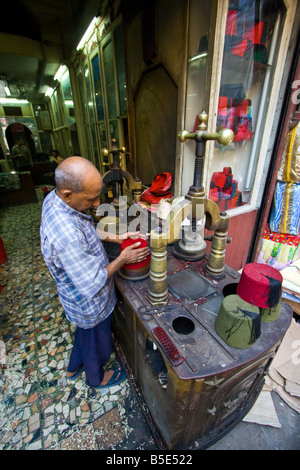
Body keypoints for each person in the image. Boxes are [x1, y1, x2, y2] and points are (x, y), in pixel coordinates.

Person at [40, 156, 149, 390]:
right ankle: (96, 378)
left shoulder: (55, 198)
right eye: (91, 199)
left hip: (73, 295)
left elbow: (85, 227)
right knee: (95, 341)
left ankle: (73, 367)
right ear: (68, 193)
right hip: (87, 301)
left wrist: (115, 236)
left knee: (83, 335)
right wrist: (123, 259)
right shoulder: (67, 236)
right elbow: (91, 283)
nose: (97, 202)